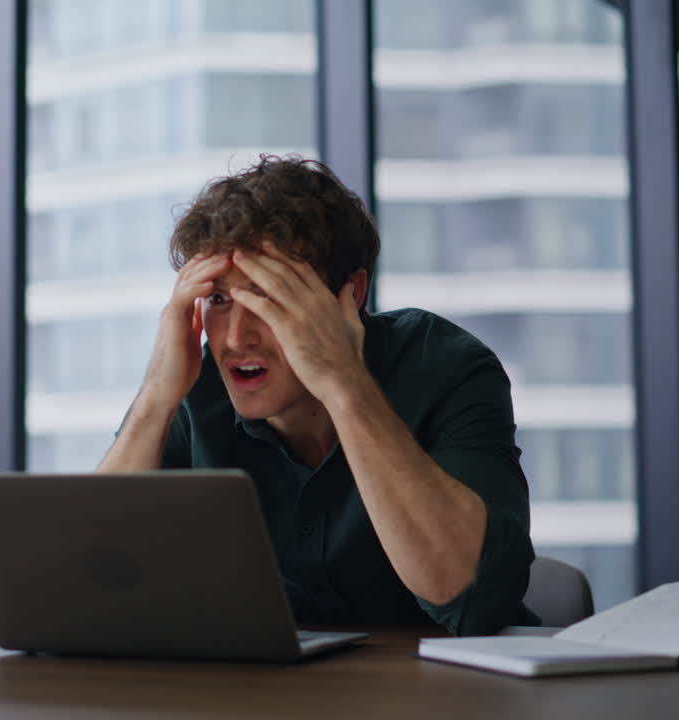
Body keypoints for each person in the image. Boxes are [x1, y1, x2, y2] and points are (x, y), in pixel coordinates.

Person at [98, 154, 537, 635]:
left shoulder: (448, 368)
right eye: (219, 299)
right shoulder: (191, 385)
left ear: (350, 296)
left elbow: (470, 597)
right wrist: (157, 395)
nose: (235, 338)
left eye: (268, 296)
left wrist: (344, 382)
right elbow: (91, 582)